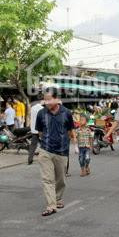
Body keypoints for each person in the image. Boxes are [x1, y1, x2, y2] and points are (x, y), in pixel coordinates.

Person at [35, 88, 75, 217]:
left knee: (60, 179)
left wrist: (63, 142)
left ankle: (58, 199)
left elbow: (70, 131)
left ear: (57, 99)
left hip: (62, 152)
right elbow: (40, 132)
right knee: (47, 179)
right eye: (45, 100)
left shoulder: (66, 113)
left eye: (49, 99)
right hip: (45, 150)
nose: (46, 102)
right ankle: (51, 205)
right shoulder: (41, 114)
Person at [28, 95, 44, 165]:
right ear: (41, 101)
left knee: (33, 145)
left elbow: (30, 117)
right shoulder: (42, 108)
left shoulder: (32, 108)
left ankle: (30, 159)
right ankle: (43, 159)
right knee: (44, 144)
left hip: (34, 129)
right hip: (41, 130)